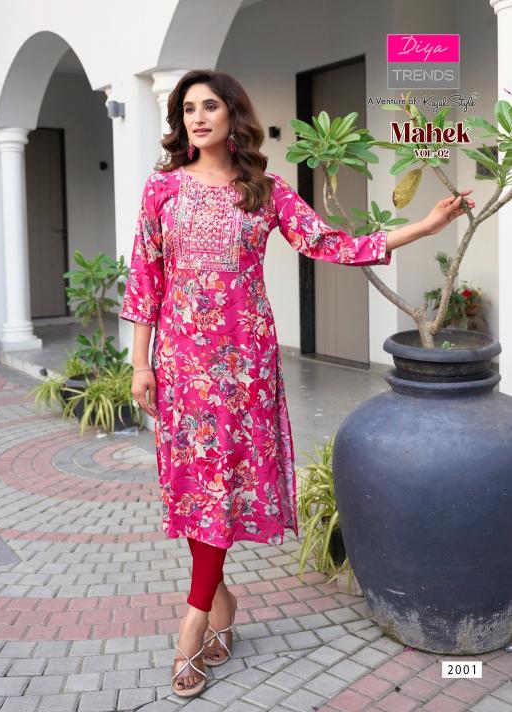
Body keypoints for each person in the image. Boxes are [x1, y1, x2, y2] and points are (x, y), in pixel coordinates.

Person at [118, 69, 475, 698]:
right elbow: (147, 277)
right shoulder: (162, 188)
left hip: (246, 366)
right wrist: (140, 362)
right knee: (200, 489)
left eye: (209, 106)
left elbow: (331, 243)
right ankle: (219, 602)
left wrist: (422, 228)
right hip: (182, 364)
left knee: (223, 483)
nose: (197, 118)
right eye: (188, 109)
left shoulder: (264, 191)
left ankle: (193, 622)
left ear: (233, 115)